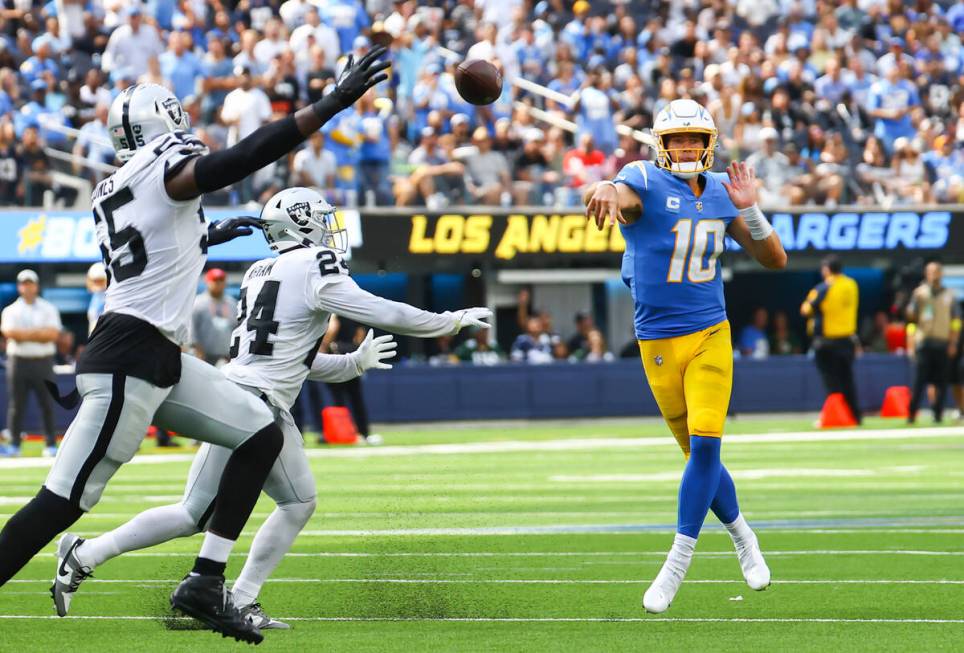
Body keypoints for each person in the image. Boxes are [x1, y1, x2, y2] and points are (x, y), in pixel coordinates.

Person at [1, 47, 391, 644]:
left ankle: (206, 580)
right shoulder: (167, 168)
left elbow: (153, 249)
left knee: (261, 431)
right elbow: (240, 159)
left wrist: (210, 231)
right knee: (63, 502)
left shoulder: (113, 186)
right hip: (129, 358)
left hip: (154, 354)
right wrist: (330, 104)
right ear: (166, 127)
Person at [56, 187, 491, 629]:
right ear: (300, 222)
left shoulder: (260, 270)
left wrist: (352, 363)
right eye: (322, 218)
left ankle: (91, 555)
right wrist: (447, 321)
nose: (329, 228)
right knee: (275, 505)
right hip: (254, 406)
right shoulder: (313, 265)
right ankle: (232, 596)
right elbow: (381, 311)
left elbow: (290, 359)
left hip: (241, 393)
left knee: (208, 511)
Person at [583, 99, 786, 614]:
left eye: (695, 138)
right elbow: (622, 196)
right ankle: (744, 537)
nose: (686, 147)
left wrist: (751, 208)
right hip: (656, 342)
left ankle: (675, 565)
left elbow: (774, 259)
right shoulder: (644, 180)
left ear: (709, 143)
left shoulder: (722, 192)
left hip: (709, 334)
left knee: (705, 448)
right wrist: (606, 187)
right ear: (661, 145)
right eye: (677, 139)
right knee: (700, 458)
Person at [0, 269, 62, 458]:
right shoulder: (11, 310)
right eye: (24, 284)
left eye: (30, 283)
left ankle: (51, 444)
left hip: (43, 361)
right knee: (16, 405)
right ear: (20, 287)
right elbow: (10, 333)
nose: (27, 287)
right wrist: (38, 334)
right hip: (19, 362)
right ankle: (15, 445)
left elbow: (52, 334)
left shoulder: (48, 308)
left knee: (47, 403)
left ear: (36, 286)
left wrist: (25, 334)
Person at [800, 256, 861, 424]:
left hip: (827, 342)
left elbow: (805, 309)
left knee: (831, 382)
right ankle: (855, 416)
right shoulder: (852, 284)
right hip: (848, 339)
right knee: (848, 380)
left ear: (826, 269)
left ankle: (837, 416)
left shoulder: (824, 287)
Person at [905, 261, 960, 424]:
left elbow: (956, 321)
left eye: (936, 271)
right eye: (930, 271)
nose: (933, 274)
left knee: (941, 382)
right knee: (919, 381)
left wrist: (953, 342)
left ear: (941, 273)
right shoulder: (920, 294)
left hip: (942, 341)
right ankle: (911, 413)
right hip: (924, 341)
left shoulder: (950, 295)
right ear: (926, 274)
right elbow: (911, 320)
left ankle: (937, 414)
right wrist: (911, 342)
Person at [191, 268, 237, 367]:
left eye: (221, 280)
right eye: (215, 280)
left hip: (227, 355)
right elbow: (192, 328)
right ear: (207, 282)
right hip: (204, 355)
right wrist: (197, 348)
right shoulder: (198, 303)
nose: (218, 284)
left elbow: (236, 328)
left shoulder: (232, 303)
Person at [85, 263, 107, 335]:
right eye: (94, 280)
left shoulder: (108, 296)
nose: (96, 284)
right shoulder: (95, 296)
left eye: (99, 280)